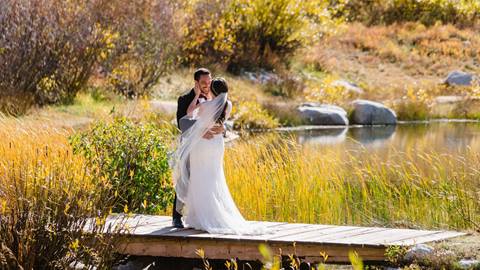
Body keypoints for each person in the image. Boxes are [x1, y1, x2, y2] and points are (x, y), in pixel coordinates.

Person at [173, 77, 267, 235]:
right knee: (214, 177)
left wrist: (196, 96)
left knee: (199, 178)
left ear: (212, 90)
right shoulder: (228, 105)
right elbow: (221, 125)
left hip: (202, 145)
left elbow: (189, 114)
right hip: (216, 145)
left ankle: (198, 217)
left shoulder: (205, 105)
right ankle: (212, 215)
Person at [172, 68, 224, 228]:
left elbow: (223, 120)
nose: (207, 86)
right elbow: (182, 123)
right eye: (203, 83)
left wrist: (223, 129)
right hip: (191, 147)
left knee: (208, 180)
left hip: (209, 149)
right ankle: (177, 216)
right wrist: (201, 131)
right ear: (196, 83)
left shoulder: (216, 98)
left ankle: (204, 216)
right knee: (185, 179)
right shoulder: (184, 99)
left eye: (209, 82)